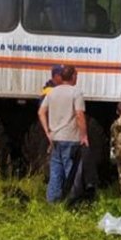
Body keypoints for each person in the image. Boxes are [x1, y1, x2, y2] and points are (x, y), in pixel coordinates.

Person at [38, 64, 89, 203]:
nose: (77, 78)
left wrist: (48, 131)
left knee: (55, 171)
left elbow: (41, 112)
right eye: (76, 75)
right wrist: (84, 136)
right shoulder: (76, 93)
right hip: (70, 138)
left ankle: (52, 201)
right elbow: (79, 115)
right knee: (71, 171)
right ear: (72, 76)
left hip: (55, 138)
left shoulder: (52, 92)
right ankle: (72, 202)